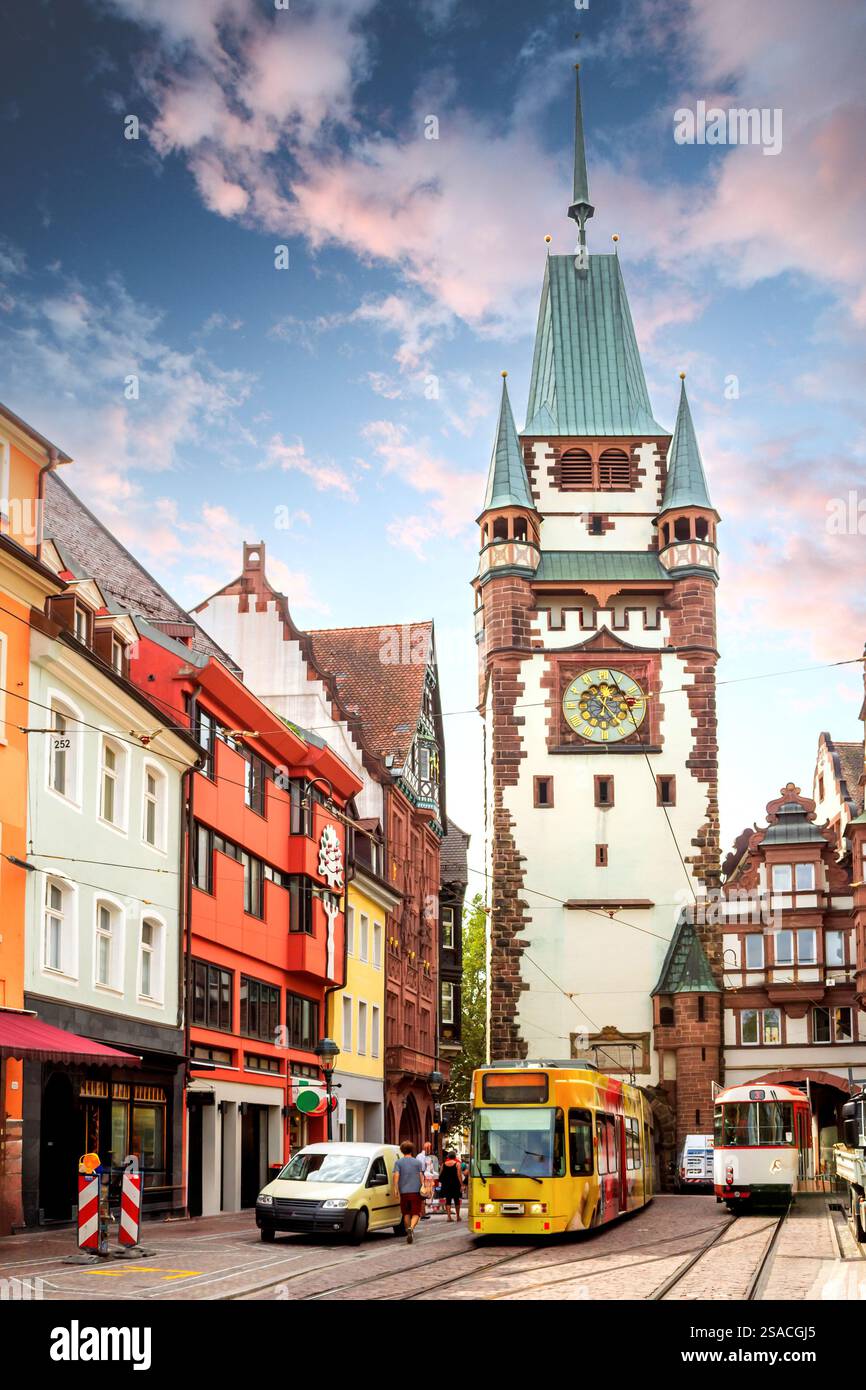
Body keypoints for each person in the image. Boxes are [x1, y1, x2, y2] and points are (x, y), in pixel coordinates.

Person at [393, 1140, 425, 1244]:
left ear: (402, 1150)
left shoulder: (398, 1162)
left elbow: (396, 1176)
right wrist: (423, 1187)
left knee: (406, 1213)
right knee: (416, 1213)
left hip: (404, 1192)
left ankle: (408, 1231)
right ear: (412, 1150)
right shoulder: (418, 1162)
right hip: (416, 1191)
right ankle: (411, 1228)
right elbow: (421, 1176)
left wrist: (396, 1188)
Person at [439, 1148, 463, 1222]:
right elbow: (459, 1175)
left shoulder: (444, 1164)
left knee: (448, 1200)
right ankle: (458, 1216)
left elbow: (440, 1174)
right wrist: (461, 1184)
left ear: (448, 1157)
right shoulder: (457, 1164)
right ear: (455, 1157)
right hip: (455, 1184)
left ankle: (449, 1217)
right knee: (456, 1200)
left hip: (446, 1184)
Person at [418, 1141, 439, 1218]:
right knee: (422, 1195)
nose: (430, 1150)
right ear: (427, 1148)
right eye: (430, 1148)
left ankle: (423, 1213)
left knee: (424, 1196)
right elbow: (422, 1169)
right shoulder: (422, 1157)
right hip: (423, 1177)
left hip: (426, 1177)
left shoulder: (424, 1156)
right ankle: (422, 1214)